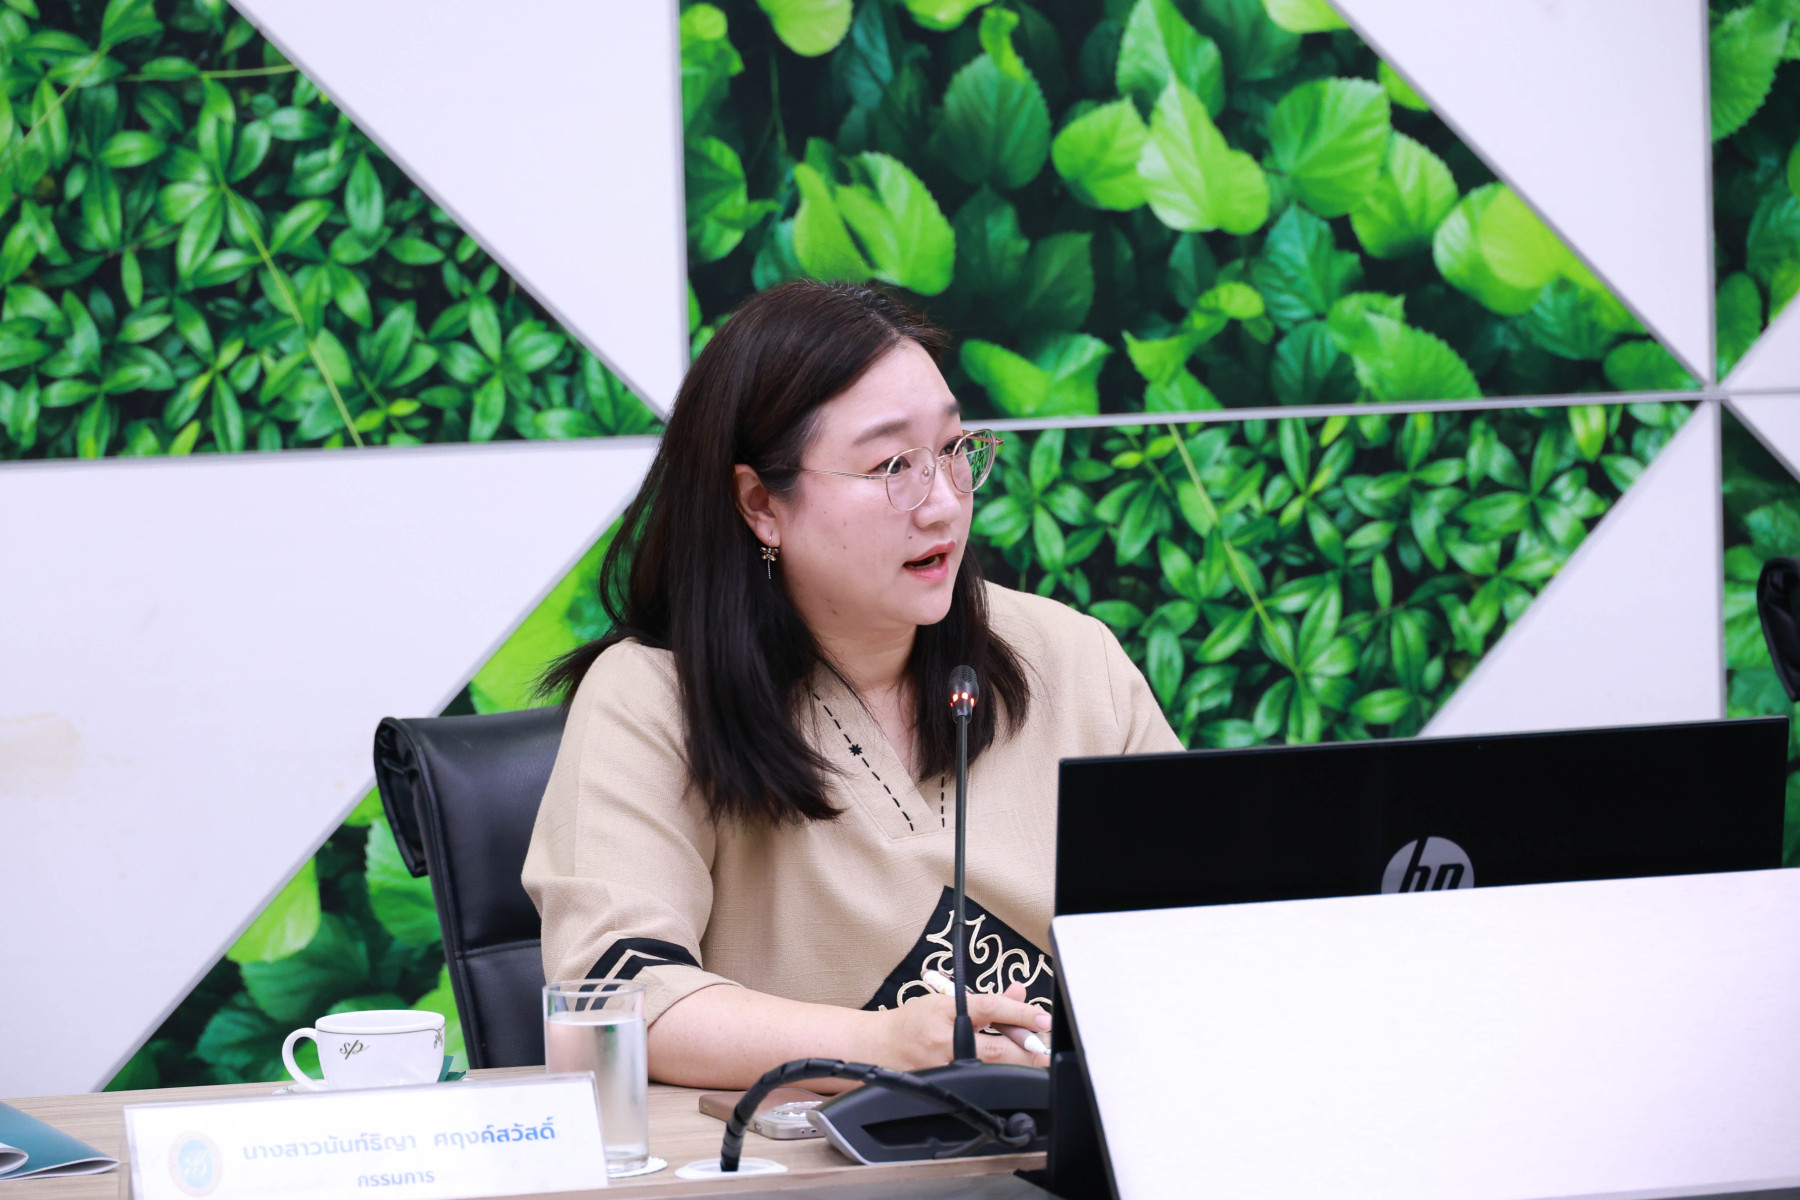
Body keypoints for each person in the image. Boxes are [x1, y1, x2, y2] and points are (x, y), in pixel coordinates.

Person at [522, 280, 1181, 1089]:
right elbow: (615, 1004)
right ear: (760, 503)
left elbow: (1206, 927)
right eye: (892, 465)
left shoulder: (1070, 656)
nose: (944, 504)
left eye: (953, 451)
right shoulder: (653, 698)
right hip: (791, 1155)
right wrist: (883, 1048)